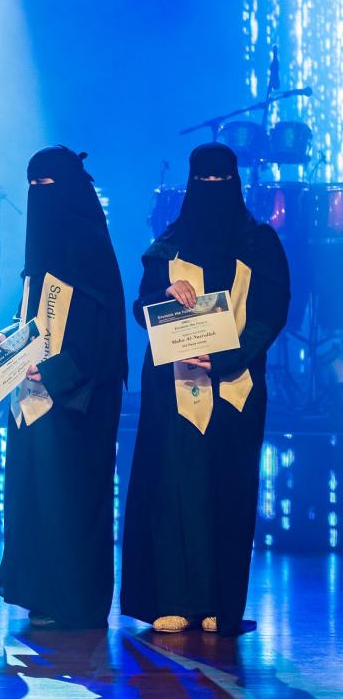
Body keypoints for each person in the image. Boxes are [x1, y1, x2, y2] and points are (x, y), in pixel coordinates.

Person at [121, 142, 290, 635]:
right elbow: (141, 308)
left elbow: (271, 313)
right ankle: (173, 598)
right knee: (173, 488)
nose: (212, 190)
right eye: (204, 181)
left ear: (234, 182)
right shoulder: (167, 247)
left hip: (236, 387)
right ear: (190, 185)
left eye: (221, 181)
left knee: (227, 489)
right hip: (173, 389)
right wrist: (163, 294)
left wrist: (227, 358)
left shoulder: (259, 243)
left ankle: (219, 603)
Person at [0, 146, 127, 629]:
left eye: (47, 186)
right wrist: (9, 339)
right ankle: (41, 594)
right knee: (37, 495)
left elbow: (102, 337)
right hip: (35, 393)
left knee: (74, 496)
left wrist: (56, 371)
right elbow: (37, 320)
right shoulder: (40, 254)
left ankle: (77, 600)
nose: (38, 197)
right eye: (32, 187)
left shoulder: (91, 248)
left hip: (80, 399)